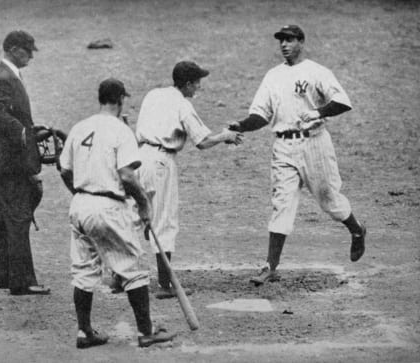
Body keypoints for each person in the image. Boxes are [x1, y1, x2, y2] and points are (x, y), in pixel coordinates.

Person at [229, 25, 367, 284]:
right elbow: (261, 115)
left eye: (290, 40)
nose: (284, 45)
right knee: (282, 203)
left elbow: (343, 101)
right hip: (283, 147)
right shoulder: (273, 76)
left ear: (301, 42)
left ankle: (357, 230)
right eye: (281, 40)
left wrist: (318, 112)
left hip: (314, 143)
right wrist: (241, 125)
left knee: (329, 200)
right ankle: (270, 266)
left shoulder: (317, 71)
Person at [59, 78, 176, 348]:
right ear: (120, 98)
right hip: (108, 207)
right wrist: (144, 203)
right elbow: (127, 175)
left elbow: (65, 170)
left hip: (80, 205)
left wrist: (80, 193)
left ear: (100, 98)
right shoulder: (120, 130)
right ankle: (146, 332)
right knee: (132, 267)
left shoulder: (80, 126)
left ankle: (85, 331)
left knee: (83, 270)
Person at [135, 61, 244, 299]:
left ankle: (116, 275)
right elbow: (202, 142)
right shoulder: (182, 104)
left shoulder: (154, 94)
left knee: (135, 217)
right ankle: (166, 286)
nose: (199, 88)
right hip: (161, 162)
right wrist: (224, 136)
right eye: (197, 83)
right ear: (187, 84)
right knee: (164, 222)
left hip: (138, 159)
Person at [0, 30, 50, 295]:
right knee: (19, 217)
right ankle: (22, 281)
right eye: (27, 50)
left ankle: (5, 276)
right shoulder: (4, 77)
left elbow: (7, 111)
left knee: (5, 217)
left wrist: (31, 127)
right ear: (12, 49)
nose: (31, 56)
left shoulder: (6, 75)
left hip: (4, 162)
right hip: (11, 163)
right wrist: (22, 133)